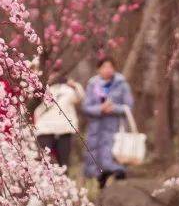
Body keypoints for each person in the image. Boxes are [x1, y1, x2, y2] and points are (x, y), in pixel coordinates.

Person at [82, 56, 133, 188]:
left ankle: (120, 193)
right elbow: (86, 107)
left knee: (115, 161)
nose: (107, 70)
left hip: (114, 129)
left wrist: (113, 108)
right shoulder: (93, 85)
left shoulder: (122, 85)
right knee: (99, 166)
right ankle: (102, 195)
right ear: (98, 69)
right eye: (104, 67)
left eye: (110, 67)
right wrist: (101, 109)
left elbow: (128, 106)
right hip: (96, 131)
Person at [34, 80, 83, 169]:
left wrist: (75, 86)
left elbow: (79, 97)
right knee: (45, 161)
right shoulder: (38, 86)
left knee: (63, 162)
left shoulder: (67, 89)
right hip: (45, 128)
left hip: (64, 129)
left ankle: (63, 180)